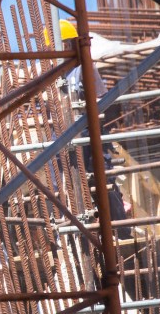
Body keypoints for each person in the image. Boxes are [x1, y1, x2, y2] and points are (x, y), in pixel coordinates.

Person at [51, 19, 131, 238]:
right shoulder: (50, 75)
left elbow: (102, 101)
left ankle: (121, 232)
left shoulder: (84, 69)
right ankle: (65, 236)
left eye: (67, 46)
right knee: (58, 185)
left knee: (103, 181)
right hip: (60, 135)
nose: (63, 51)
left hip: (87, 132)